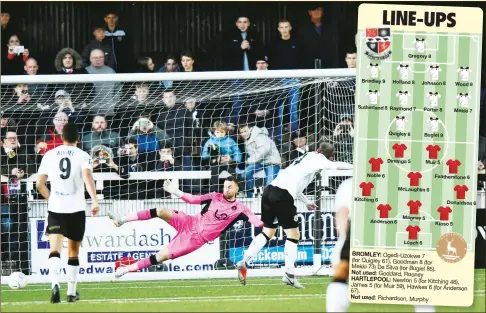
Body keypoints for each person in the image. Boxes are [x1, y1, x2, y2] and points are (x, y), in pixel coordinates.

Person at [237, 141, 353, 288]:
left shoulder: (307, 157)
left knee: (268, 232)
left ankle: (245, 260)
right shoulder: (319, 159)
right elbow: (336, 166)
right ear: (330, 157)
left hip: (269, 190)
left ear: (317, 149)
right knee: (293, 235)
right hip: (282, 195)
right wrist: (357, 166)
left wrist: (306, 202)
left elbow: (296, 185)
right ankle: (289, 275)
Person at [109, 176, 263, 278]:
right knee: (160, 211)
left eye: (230, 187)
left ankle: (127, 269)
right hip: (189, 221)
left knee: (161, 256)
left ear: (237, 189)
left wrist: (274, 218)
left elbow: (258, 222)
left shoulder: (241, 208)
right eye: (224, 186)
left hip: (195, 239)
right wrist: (176, 192)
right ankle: (122, 220)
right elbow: (193, 200)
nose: (226, 189)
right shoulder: (215, 196)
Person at [326, 178, 436, 313]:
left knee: (341, 272)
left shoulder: (350, 183)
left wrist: (343, 239)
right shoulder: (400, 181)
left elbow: (342, 215)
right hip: (395, 233)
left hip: (364, 232)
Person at [36, 122, 100, 303]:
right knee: (73, 252)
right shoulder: (83, 155)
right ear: (78, 139)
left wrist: (52, 199)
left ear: (61, 138)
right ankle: (71, 292)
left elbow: (39, 185)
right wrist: (94, 201)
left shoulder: (49, 154)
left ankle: (55, 284)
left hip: (56, 209)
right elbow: (88, 178)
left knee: (54, 250)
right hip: (76, 209)